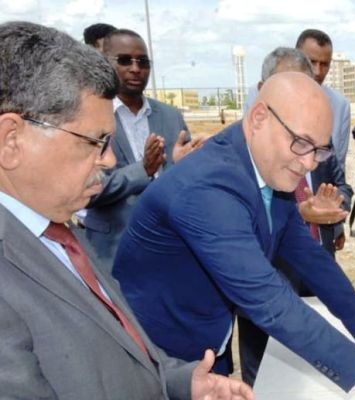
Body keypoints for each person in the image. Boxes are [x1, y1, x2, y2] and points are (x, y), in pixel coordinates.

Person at [113, 71, 355, 400]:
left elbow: (310, 258)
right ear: (259, 118)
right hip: (155, 363)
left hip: (207, 347)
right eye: (301, 143)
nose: (309, 163)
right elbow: (270, 301)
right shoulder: (207, 187)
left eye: (320, 150)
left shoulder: (267, 168)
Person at [0, 21, 252, 400]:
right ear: (11, 140)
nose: (109, 159)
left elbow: (118, 351)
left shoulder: (63, 236)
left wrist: (181, 382)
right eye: (95, 141)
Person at [236, 47, 353, 386]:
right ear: (263, 92)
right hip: (270, 276)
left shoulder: (319, 138)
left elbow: (341, 185)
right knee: (266, 373)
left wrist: (335, 204)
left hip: (314, 265)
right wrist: (302, 213)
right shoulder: (239, 155)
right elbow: (250, 222)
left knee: (313, 371)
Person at [83, 29, 202, 271]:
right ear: (105, 63)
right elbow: (87, 190)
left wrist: (182, 168)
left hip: (167, 248)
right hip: (111, 251)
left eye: (143, 61)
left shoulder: (170, 116)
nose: (135, 69)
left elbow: (187, 186)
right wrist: (143, 170)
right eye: (125, 60)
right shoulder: (88, 118)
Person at [243, 29, 350, 172]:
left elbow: (337, 169)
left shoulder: (340, 105)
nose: (317, 71)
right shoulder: (257, 95)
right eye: (311, 62)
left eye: (325, 64)